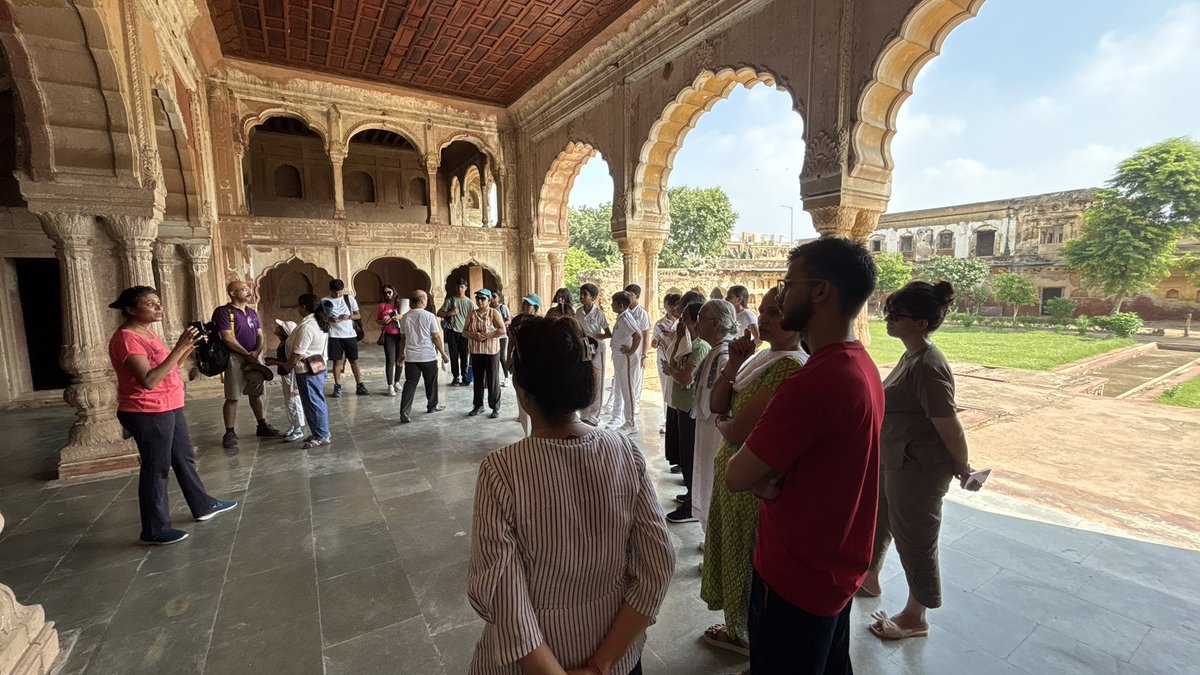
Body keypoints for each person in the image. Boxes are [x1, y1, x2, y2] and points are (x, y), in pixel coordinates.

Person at [466, 315, 675, 675]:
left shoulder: (502, 470)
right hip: (616, 652)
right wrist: (601, 664)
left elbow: (502, 591)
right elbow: (658, 566)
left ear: (524, 395)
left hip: (530, 662)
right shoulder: (625, 451)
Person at [725, 237, 883, 673]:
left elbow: (737, 475)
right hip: (834, 571)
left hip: (795, 577)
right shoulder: (861, 366)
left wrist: (765, 477)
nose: (779, 295)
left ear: (820, 291)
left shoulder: (814, 382)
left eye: (787, 284)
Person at [863, 280, 979, 641]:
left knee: (915, 538)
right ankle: (868, 578)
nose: (888, 319)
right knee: (880, 519)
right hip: (895, 457)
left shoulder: (928, 364)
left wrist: (963, 464)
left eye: (897, 314)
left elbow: (948, 422)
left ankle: (917, 615)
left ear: (921, 324)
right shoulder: (911, 355)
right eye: (889, 312)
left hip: (919, 466)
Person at [699, 288, 807, 656]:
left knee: (745, 558)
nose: (763, 319)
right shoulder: (760, 359)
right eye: (762, 311)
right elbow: (716, 404)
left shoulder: (790, 366)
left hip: (750, 482)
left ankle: (746, 634)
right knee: (733, 549)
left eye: (774, 312)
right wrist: (732, 364)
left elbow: (738, 428)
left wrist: (727, 421)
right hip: (733, 474)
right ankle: (738, 628)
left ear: (796, 319)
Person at [107, 286, 237, 545]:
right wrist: (179, 347)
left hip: (168, 405)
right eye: (150, 304)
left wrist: (190, 346)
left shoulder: (146, 332)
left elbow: (170, 366)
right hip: (147, 409)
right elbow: (149, 380)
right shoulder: (127, 337)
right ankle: (154, 529)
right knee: (156, 469)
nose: (158, 307)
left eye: (158, 302)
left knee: (184, 458)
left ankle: (202, 505)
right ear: (131, 310)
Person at [689, 299, 739, 535]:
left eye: (701, 319)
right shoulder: (716, 350)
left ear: (717, 323)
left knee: (712, 479)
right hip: (707, 427)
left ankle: (714, 534)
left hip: (716, 429)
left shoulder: (726, 354)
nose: (697, 325)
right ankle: (709, 532)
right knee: (706, 477)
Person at [212, 280, 280, 449]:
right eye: (244, 290)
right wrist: (245, 354)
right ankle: (229, 432)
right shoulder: (224, 312)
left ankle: (262, 425)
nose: (249, 292)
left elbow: (260, 335)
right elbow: (226, 337)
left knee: (256, 393)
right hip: (235, 358)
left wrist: (256, 353)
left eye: (249, 289)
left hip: (254, 358)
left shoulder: (251, 312)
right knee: (232, 396)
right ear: (233, 293)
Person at [663, 300, 706, 525]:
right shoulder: (689, 343)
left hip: (690, 408)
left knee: (691, 457)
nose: (682, 322)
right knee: (685, 454)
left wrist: (671, 371)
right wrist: (680, 336)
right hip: (681, 406)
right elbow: (673, 362)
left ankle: (693, 505)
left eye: (685, 318)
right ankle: (690, 495)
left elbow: (685, 378)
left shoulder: (700, 347)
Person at [285, 294, 333, 449]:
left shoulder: (308, 326)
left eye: (299, 306)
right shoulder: (318, 322)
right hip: (316, 367)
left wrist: (287, 367)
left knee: (314, 402)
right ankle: (318, 431)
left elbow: (299, 352)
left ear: (304, 307)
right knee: (312, 402)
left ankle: (322, 435)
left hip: (307, 370)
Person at [397, 290, 450, 424]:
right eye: (426, 299)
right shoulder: (429, 316)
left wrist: (401, 355)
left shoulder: (404, 317)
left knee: (410, 384)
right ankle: (432, 406)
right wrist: (443, 354)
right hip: (428, 356)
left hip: (411, 357)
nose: (427, 301)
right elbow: (436, 337)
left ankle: (404, 411)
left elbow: (402, 338)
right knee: (431, 382)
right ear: (422, 301)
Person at [464, 289, 507, 419]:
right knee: (478, 380)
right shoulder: (472, 314)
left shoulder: (494, 313)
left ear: (489, 300)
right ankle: (478, 405)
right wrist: (474, 335)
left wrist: (488, 335)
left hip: (491, 351)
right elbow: (464, 332)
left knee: (493, 379)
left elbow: (502, 330)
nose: (480, 301)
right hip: (476, 351)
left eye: (483, 298)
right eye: (478, 298)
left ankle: (495, 407)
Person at [263, 320, 306, 442]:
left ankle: (298, 428)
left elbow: (290, 363)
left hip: (291, 374)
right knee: (288, 401)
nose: (277, 328)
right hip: (285, 374)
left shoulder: (289, 345)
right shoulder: (283, 343)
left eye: (280, 327)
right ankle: (293, 424)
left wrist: (274, 362)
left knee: (293, 400)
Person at [323, 279, 367, 397]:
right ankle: (337, 386)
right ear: (330, 290)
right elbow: (321, 318)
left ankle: (360, 385)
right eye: (335, 293)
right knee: (337, 361)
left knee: (354, 360)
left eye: (339, 292)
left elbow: (358, 315)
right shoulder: (325, 301)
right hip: (334, 335)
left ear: (343, 290)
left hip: (350, 334)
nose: (337, 295)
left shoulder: (349, 299)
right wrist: (329, 319)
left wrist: (349, 317)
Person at [575, 283, 612, 426]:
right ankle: (584, 413)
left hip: (597, 350)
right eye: (581, 294)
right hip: (583, 349)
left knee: (598, 380)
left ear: (593, 297)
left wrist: (593, 336)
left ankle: (595, 414)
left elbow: (608, 333)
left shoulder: (598, 314)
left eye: (585, 294)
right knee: (585, 379)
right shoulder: (578, 312)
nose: (582, 297)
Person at [608, 291, 643, 434]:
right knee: (621, 388)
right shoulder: (622, 317)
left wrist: (631, 350)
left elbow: (638, 335)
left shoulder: (626, 318)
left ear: (621, 306)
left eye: (613, 303)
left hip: (626, 359)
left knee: (628, 390)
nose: (611, 305)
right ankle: (622, 418)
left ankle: (631, 422)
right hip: (619, 358)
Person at [506, 293, 541, 437]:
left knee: (535, 399)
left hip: (535, 363)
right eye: (524, 304)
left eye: (529, 304)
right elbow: (511, 341)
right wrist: (508, 357)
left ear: (536, 308)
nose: (526, 306)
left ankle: (536, 431)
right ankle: (527, 434)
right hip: (519, 362)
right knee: (521, 395)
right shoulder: (516, 321)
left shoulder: (541, 323)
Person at [651, 294, 681, 436]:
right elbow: (654, 342)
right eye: (671, 305)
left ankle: (677, 418)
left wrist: (673, 335)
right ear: (666, 306)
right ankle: (667, 418)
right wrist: (655, 342)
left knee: (677, 388)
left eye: (677, 305)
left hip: (678, 358)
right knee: (665, 388)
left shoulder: (682, 323)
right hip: (664, 358)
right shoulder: (660, 323)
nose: (674, 308)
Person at [437, 278, 475, 385]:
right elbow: (439, 313)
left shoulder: (470, 303)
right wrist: (449, 313)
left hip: (465, 332)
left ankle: (464, 376)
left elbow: (475, 317)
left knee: (464, 355)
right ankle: (455, 377)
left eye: (462, 287)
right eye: (458, 287)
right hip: (452, 331)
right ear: (455, 288)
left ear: (466, 288)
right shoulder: (450, 301)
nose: (459, 289)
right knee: (453, 355)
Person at [624, 283, 652, 417]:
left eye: (631, 295)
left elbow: (646, 335)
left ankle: (635, 405)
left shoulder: (642, 313)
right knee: (623, 378)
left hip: (637, 351)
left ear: (637, 297)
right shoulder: (624, 311)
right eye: (627, 294)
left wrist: (644, 355)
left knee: (636, 379)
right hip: (625, 351)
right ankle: (626, 405)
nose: (628, 297)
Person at [376, 284, 405, 396]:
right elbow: (378, 320)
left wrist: (400, 316)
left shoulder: (401, 304)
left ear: (394, 292)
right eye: (385, 293)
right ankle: (390, 386)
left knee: (400, 359)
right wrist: (383, 321)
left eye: (389, 292)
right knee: (390, 360)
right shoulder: (383, 305)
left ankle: (397, 382)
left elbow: (409, 314)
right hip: (389, 335)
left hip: (401, 335)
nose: (387, 295)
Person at [490, 291, 512, 387]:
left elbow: (509, 320)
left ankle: (507, 377)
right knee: (494, 356)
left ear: (498, 298)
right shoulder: (489, 308)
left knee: (502, 356)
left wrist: (501, 325)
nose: (492, 299)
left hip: (501, 335)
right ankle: (495, 378)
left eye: (494, 296)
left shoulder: (502, 307)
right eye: (491, 297)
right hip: (492, 335)